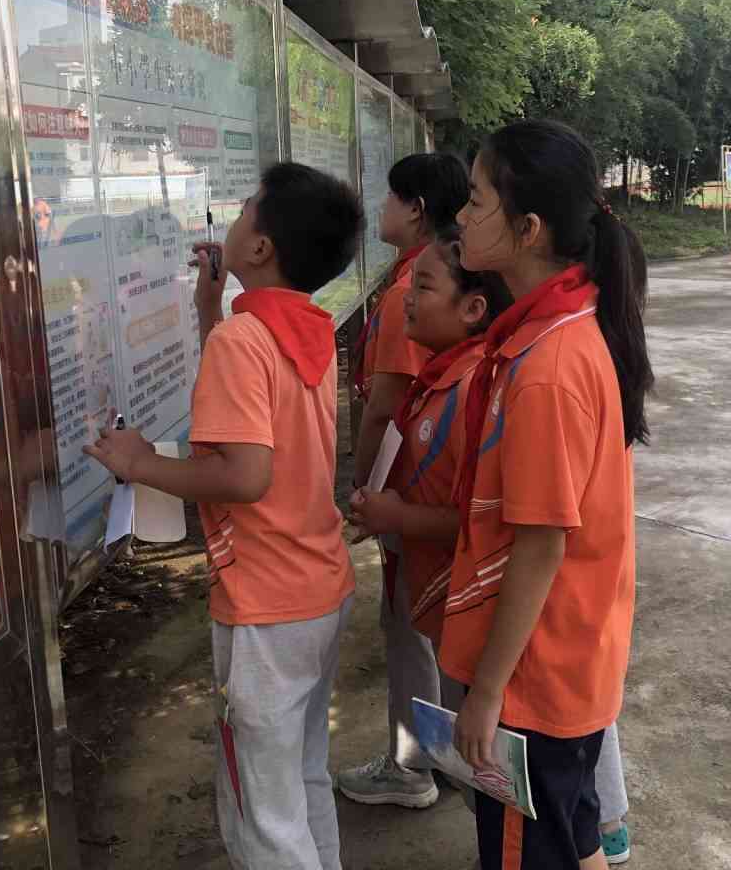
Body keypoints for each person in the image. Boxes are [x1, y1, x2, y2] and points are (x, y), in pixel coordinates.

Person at [83, 162, 362, 870]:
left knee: (263, 811)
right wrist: (211, 310)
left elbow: (244, 473)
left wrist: (139, 463)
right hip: (318, 586)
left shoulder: (245, 342)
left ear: (261, 247)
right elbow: (251, 401)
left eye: (244, 211)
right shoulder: (302, 327)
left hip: (267, 605)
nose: (231, 221)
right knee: (301, 776)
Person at [443, 119, 653, 870]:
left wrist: (486, 693)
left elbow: (539, 545)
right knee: (573, 837)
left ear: (528, 229)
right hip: (566, 656)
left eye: (476, 200)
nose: (461, 216)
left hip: (535, 676)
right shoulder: (558, 332)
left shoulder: (548, 368)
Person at [341, 152, 471, 810]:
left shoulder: (407, 292)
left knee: (410, 624)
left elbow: (383, 406)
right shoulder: (435, 277)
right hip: (427, 486)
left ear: (416, 208)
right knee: (426, 623)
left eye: (390, 197)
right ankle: (441, 760)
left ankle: (414, 765)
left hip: (407, 491)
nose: (380, 207)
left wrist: (363, 493)